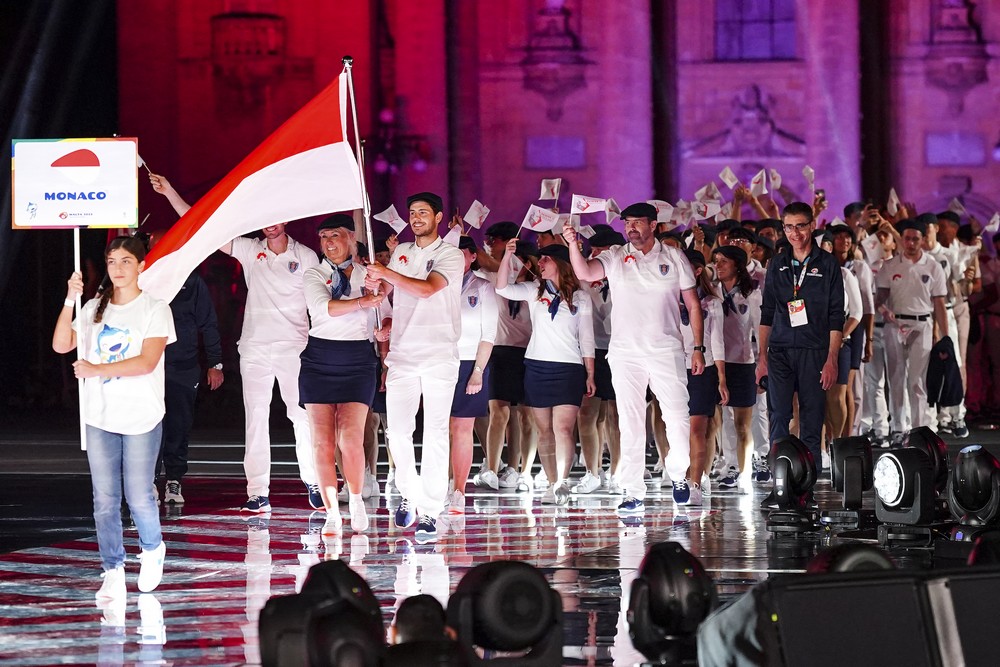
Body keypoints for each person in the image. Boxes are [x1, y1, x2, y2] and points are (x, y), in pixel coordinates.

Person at [149, 172, 321, 513]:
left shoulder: (307, 258)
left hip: (294, 347)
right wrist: (170, 191)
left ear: (286, 219)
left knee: (301, 416)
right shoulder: (248, 249)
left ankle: (314, 480)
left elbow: (321, 301)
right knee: (255, 418)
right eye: (264, 219)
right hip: (255, 348)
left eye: (276, 218)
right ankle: (258, 491)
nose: (270, 225)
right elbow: (204, 227)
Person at [52, 236, 174, 600]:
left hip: (141, 415)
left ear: (140, 266)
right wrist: (70, 300)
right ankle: (113, 568)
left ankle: (152, 549)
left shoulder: (155, 308)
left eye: (125, 261)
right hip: (100, 414)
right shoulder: (93, 308)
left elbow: (147, 362)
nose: (118, 269)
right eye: (111, 261)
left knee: (138, 495)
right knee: (104, 499)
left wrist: (96, 367)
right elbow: (61, 344)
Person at [563, 202, 706, 512]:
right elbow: (584, 272)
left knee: (678, 418)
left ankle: (679, 474)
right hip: (625, 352)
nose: (631, 228)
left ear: (653, 225)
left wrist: (697, 347)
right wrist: (574, 245)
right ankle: (632, 490)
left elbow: (693, 304)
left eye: (638, 223)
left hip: (666, 350)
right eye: (627, 223)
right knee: (630, 421)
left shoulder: (673, 257)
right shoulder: (615, 256)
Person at [365, 192, 465, 542]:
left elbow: (426, 290)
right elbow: (396, 300)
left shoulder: (450, 254)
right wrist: (386, 318)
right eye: (412, 212)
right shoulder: (402, 251)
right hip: (403, 355)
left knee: (435, 433)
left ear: (438, 217)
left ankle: (431, 511)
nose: (417, 217)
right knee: (397, 430)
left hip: (439, 354)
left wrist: (387, 272)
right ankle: (409, 491)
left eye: (423, 212)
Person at [300, 214, 385, 534]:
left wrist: (384, 328)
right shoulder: (314, 273)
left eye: (334, 235)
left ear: (352, 238)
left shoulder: (371, 274)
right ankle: (333, 512)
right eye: (323, 237)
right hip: (319, 360)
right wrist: (365, 300)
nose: (328, 243)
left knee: (350, 438)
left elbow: (385, 315)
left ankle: (357, 499)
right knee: (322, 443)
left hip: (357, 360)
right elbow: (324, 308)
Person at [757, 202, 845, 499]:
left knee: (811, 418)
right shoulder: (777, 264)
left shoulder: (828, 264)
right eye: (789, 227)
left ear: (812, 225)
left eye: (801, 226)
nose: (795, 233)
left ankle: (807, 486)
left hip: (814, 350)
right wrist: (761, 358)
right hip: (780, 351)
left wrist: (832, 358)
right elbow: (767, 312)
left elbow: (836, 315)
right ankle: (780, 483)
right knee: (778, 416)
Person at [496, 242, 595, 505]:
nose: (540, 263)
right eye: (539, 260)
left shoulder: (580, 296)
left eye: (545, 259)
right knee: (544, 431)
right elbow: (502, 287)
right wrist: (507, 256)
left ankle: (563, 482)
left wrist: (590, 373)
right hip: (537, 366)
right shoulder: (533, 290)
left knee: (563, 428)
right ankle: (552, 483)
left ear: (560, 264)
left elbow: (586, 338)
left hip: (569, 368)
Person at [144, 228, 224, 506]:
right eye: (156, 246)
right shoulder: (141, 280)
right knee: (148, 425)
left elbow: (208, 323)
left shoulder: (191, 281)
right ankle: (149, 480)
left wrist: (215, 362)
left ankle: (174, 480)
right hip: (147, 368)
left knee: (179, 425)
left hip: (183, 367)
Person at [475, 223, 539, 492]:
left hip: (530, 351)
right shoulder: (497, 275)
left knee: (525, 415)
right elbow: (484, 262)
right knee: (498, 411)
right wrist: (463, 237)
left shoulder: (538, 285)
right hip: (500, 350)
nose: (521, 264)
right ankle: (492, 466)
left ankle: (520, 470)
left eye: (494, 239)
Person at [875, 217, 949, 438]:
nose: (910, 243)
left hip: (922, 323)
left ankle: (919, 430)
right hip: (895, 325)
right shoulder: (889, 266)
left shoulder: (933, 266)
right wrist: (882, 309)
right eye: (906, 238)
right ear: (902, 240)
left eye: (915, 239)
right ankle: (898, 428)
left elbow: (939, 304)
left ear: (922, 240)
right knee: (896, 378)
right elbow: (879, 297)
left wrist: (944, 337)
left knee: (918, 381)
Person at [447, 235, 498, 513]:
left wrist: (477, 371)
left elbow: (488, 334)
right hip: (440, 361)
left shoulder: (483, 287)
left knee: (461, 428)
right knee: (438, 428)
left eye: (460, 254)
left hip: (470, 362)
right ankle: (439, 484)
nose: (455, 259)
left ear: (472, 256)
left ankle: (459, 489)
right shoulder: (437, 284)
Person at [576, 227, 624, 494]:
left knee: (617, 415)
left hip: (620, 349)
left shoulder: (626, 273)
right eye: (592, 251)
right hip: (592, 349)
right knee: (587, 413)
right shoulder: (584, 278)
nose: (593, 256)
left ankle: (617, 470)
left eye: (598, 251)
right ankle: (592, 472)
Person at [680, 248, 727, 505]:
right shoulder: (667, 300)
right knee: (676, 429)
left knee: (698, 429)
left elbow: (718, 342)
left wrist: (721, 377)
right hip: (673, 369)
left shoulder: (712, 303)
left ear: (697, 271)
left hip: (702, 369)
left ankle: (695, 483)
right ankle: (681, 476)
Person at [712, 245, 761, 493]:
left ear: (738, 265)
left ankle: (745, 473)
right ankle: (728, 465)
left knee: (742, 424)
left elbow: (761, 333)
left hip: (742, 364)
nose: (718, 265)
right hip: (714, 364)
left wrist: (763, 365)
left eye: (724, 261)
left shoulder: (751, 294)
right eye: (717, 260)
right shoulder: (711, 293)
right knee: (717, 422)